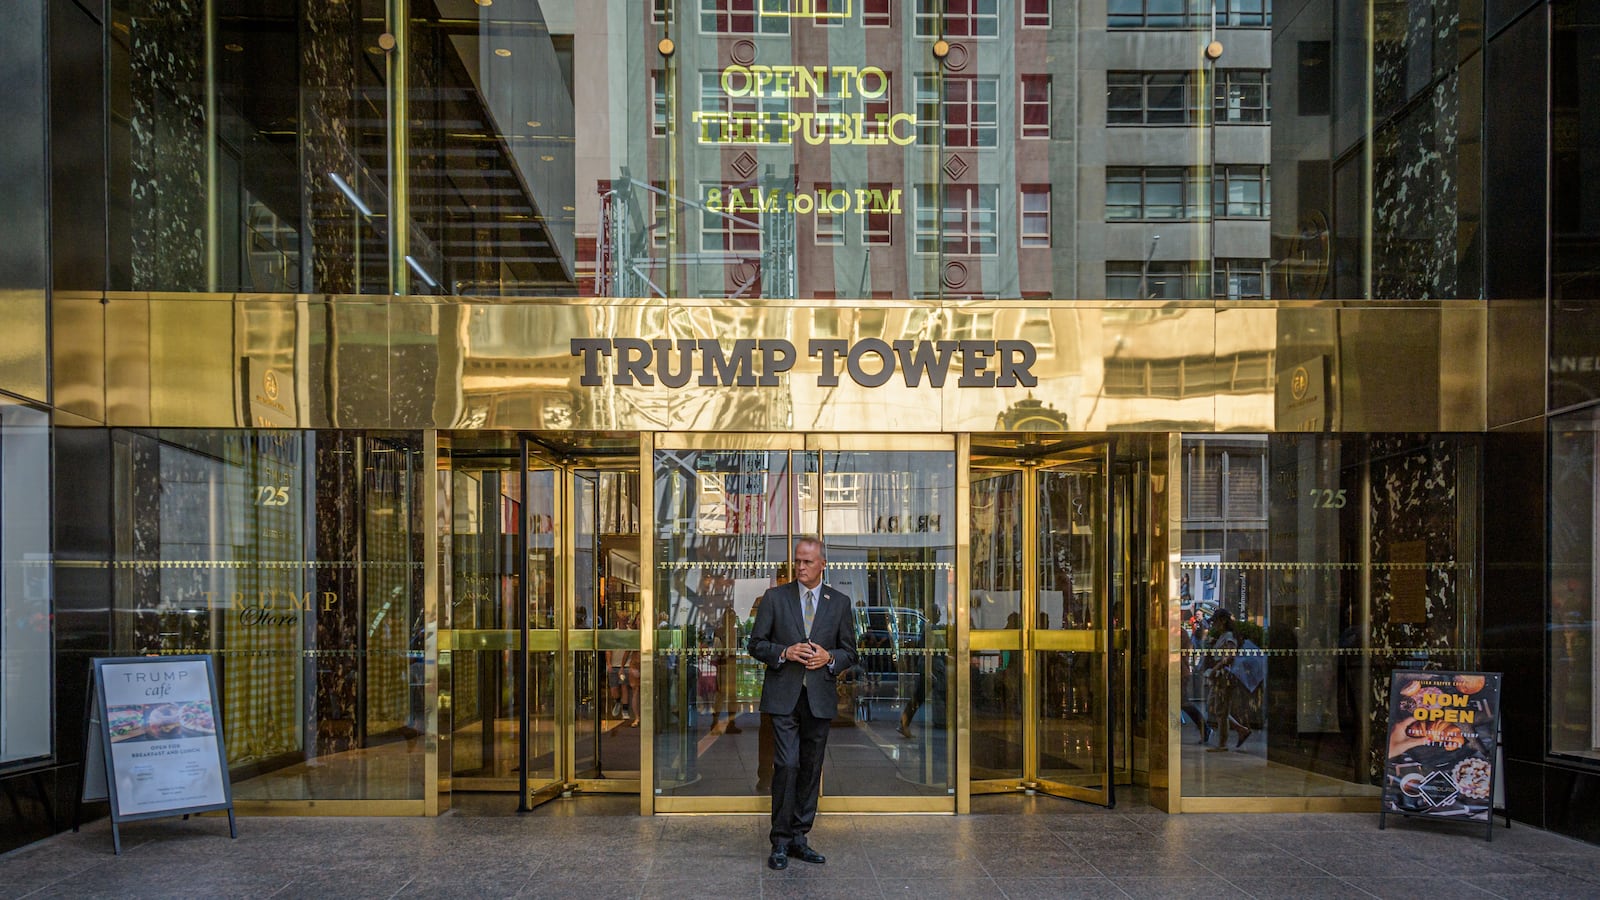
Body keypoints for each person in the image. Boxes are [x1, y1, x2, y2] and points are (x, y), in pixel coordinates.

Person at [746, 537, 858, 871]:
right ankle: (779, 841)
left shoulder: (838, 602)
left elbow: (850, 652)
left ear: (823, 564)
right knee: (787, 765)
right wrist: (784, 652)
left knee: (810, 770)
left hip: (819, 699)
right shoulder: (774, 598)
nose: (800, 567)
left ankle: (799, 837)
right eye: (798, 561)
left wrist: (829, 657)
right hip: (783, 697)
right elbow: (755, 644)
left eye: (808, 562)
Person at [1204, 609, 1251, 751]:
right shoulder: (1223, 636)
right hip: (1220, 675)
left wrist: (1216, 668)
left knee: (1221, 710)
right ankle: (1241, 730)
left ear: (1223, 620)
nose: (1214, 624)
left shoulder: (1229, 636)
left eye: (1216, 621)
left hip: (1224, 676)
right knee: (1214, 706)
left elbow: (1230, 656)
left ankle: (1222, 744)